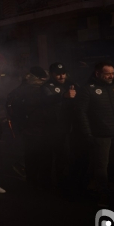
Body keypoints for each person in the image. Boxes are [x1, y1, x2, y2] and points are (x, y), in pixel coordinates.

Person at [77, 61, 114, 207]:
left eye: (112, 73)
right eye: (107, 73)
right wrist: (88, 133)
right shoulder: (88, 89)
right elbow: (81, 113)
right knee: (101, 166)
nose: (111, 76)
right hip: (100, 135)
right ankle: (103, 196)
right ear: (98, 74)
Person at [41, 63, 78, 193]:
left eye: (63, 73)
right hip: (54, 127)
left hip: (71, 126)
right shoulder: (46, 86)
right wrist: (63, 96)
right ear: (52, 74)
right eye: (58, 74)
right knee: (58, 156)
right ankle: (58, 184)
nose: (61, 76)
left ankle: (68, 182)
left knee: (69, 155)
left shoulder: (71, 83)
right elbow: (46, 99)